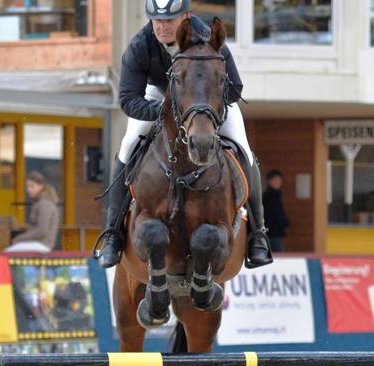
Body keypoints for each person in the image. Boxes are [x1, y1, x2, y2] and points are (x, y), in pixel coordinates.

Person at [95, 0, 272, 270]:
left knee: (243, 148)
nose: (163, 27)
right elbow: (128, 99)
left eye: (170, 20)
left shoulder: (209, 39)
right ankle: (111, 234)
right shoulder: (140, 45)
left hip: (207, 103)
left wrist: (206, 108)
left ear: (186, 17)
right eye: (157, 21)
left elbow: (234, 89)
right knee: (128, 145)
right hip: (158, 97)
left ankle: (258, 235)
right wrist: (166, 111)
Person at [7, 171, 60, 253]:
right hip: (39, 244)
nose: (29, 190)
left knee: (7, 253)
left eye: (32, 186)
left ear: (41, 186)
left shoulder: (45, 205)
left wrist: (19, 238)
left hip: (42, 245)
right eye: (27, 187)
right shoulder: (40, 203)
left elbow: (42, 231)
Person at [262, 169, 289, 252]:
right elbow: (273, 214)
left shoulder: (276, 196)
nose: (278, 182)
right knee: (278, 255)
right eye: (275, 180)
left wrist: (285, 223)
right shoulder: (268, 197)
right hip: (271, 233)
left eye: (279, 180)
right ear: (269, 181)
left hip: (276, 232)